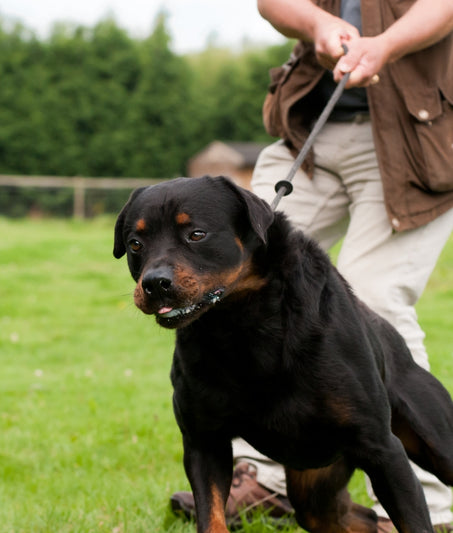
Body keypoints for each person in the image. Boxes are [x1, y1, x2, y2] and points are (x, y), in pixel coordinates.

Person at [170, 0, 453, 531]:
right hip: (309, 131)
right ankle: (281, 483)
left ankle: (428, 509)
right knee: (226, 283)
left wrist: (384, 43)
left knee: (377, 295)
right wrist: (319, 24)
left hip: (417, 131)